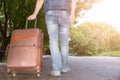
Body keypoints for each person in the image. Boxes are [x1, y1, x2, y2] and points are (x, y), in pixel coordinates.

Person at [27, 0, 76, 76]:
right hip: (64, 12)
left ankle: (56, 70)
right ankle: (64, 67)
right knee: (64, 43)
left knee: (53, 41)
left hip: (50, 12)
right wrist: (72, 14)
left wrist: (34, 14)